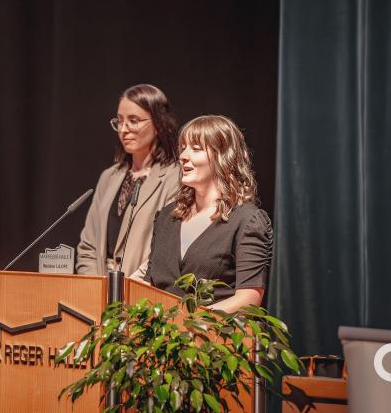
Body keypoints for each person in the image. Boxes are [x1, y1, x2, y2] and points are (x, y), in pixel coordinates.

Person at [144, 115, 272, 313]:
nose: (184, 156)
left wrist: (190, 323)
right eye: (183, 148)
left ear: (223, 156)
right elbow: (149, 285)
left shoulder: (247, 220)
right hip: (160, 341)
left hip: (213, 339)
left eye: (196, 149)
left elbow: (249, 299)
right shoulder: (167, 217)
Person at [76, 84, 181, 277]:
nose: (124, 129)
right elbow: (87, 247)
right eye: (120, 121)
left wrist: (129, 292)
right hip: (98, 294)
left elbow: (165, 251)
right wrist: (94, 290)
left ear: (158, 124)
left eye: (134, 121)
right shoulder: (109, 177)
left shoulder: (174, 177)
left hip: (141, 295)